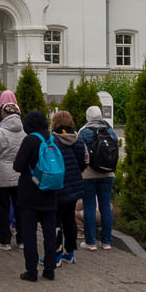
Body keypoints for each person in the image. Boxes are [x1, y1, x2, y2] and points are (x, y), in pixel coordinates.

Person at [13, 110, 59, 281]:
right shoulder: (51, 139)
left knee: (30, 234)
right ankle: (50, 269)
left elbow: (18, 165)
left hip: (30, 193)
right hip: (50, 191)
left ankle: (31, 271)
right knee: (49, 233)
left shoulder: (30, 140)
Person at [78, 105, 118, 251]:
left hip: (89, 174)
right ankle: (107, 242)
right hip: (108, 174)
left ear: (88, 116)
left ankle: (90, 242)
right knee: (105, 206)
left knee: (89, 206)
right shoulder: (110, 130)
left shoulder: (84, 131)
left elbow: (80, 152)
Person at [51, 110, 87, 267]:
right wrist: (78, 171)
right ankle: (70, 252)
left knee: (55, 221)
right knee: (70, 220)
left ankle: (56, 255)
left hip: (58, 185)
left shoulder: (53, 140)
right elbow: (86, 159)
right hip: (74, 185)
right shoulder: (78, 139)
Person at [0, 93, 24, 250]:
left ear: (4, 114)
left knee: (2, 209)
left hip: (1, 177)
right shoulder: (24, 134)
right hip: (19, 176)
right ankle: (22, 240)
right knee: (20, 209)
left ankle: (4, 241)